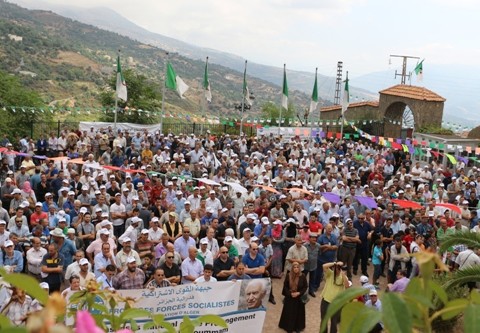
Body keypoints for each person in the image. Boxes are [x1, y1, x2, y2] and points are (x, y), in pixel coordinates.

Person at [320, 261, 349, 333]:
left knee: (334, 322)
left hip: (336, 304)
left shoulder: (343, 277)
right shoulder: (330, 274)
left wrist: (343, 274)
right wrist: (334, 263)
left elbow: (347, 286)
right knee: (324, 320)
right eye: (335, 268)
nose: (336, 270)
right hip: (326, 300)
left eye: (338, 268)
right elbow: (324, 266)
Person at [278, 262, 307, 333]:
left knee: (298, 313)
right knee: (289, 312)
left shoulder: (302, 276)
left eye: (297, 267)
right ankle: (288, 327)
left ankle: (297, 327)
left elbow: (305, 287)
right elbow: (285, 286)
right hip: (290, 297)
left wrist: (298, 293)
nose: (296, 269)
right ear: (292, 268)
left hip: (299, 298)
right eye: (294, 267)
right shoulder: (288, 275)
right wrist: (290, 294)